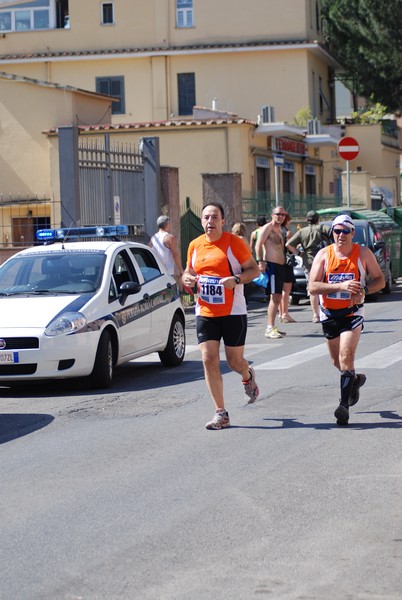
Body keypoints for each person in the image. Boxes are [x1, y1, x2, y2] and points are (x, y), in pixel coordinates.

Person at [182, 202, 260, 430]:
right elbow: (189, 271)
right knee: (208, 359)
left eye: (214, 217)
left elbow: (253, 270)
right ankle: (221, 413)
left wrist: (235, 280)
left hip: (233, 311)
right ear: (201, 221)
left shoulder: (234, 243)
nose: (209, 221)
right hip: (205, 310)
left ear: (223, 221)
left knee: (235, 362)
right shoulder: (195, 245)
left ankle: (247, 376)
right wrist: (186, 278)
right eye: (206, 217)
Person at [308, 214, 385, 426]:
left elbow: (380, 280)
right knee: (337, 362)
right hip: (330, 314)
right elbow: (312, 286)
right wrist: (340, 287)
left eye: (345, 231)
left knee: (346, 355)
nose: (340, 235)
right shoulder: (324, 255)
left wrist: (365, 290)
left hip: (353, 312)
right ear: (332, 233)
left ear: (352, 233)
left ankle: (343, 406)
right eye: (336, 231)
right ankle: (355, 380)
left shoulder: (363, 253)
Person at [286, 210, 331, 323]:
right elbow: (333, 233)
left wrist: (299, 253)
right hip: (324, 259)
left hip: (309, 261)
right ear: (318, 219)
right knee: (326, 285)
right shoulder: (322, 228)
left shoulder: (302, 232)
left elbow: (288, 244)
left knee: (312, 288)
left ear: (307, 220)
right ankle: (327, 311)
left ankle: (315, 315)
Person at [255, 206, 287, 338]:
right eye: (278, 214)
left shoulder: (280, 230)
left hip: (280, 266)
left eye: (282, 215)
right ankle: (269, 327)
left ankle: (273, 326)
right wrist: (260, 261)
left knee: (278, 297)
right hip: (272, 266)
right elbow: (258, 244)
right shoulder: (268, 227)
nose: (280, 217)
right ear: (272, 215)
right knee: (274, 297)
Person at [150, 215, 184, 287]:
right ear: (166, 224)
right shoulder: (169, 237)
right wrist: (181, 269)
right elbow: (175, 254)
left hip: (156, 274)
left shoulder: (153, 238)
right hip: (168, 273)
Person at [279, 211, 296, 323]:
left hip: (277, 261)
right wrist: (297, 251)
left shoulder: (276, 231)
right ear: (287, 221)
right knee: (287, 289)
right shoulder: (287, 232)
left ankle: (281, 313)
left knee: (280, 290)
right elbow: (290, 246)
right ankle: (285, 313)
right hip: (287, 262)